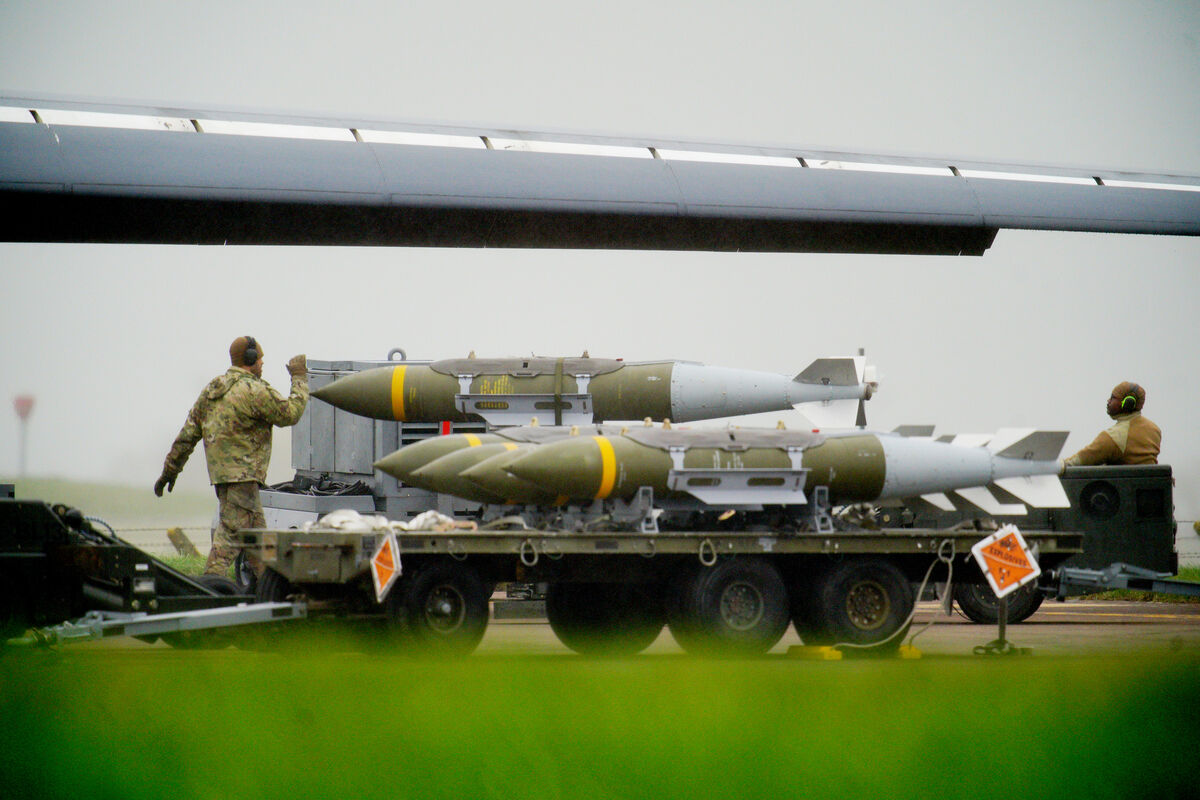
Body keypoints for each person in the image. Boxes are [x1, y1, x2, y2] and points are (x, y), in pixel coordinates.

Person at [154, 336, 309, 576]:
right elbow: (290, 414)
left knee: (260, 544)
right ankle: (209, 589)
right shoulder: (254, 390)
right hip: (244, 480)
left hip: (226, 480)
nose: (262, 363)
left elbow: (187, 435)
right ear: (249, 359)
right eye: (260, 358)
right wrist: (299, 377)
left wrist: (169, 471)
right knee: (227, 542)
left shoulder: (212, 390)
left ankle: (269, 591)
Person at [1062, 381, 1161, 467]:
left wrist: (1061, 465)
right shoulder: (1154, 429)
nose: (1108, 401)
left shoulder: (1114, 436)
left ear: (1126, 404)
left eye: (1113, 398)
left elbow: (1080, 460)